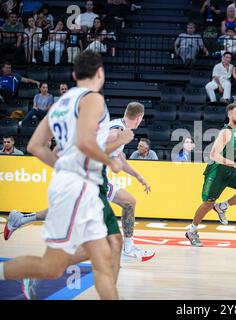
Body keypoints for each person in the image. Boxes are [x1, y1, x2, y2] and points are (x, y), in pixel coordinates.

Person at [0, 50, 123, 300]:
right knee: (61, 263)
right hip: (78, 188)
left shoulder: (59, 104)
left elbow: (35, 146)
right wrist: (110, 160)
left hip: (70, 185)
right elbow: (86, 142)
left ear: (75, 74)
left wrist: (63, 167)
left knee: (101, 252)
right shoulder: (93, 99)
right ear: (100, 73)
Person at [7, 102, 155, 263]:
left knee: (127, 202)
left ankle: (20, 219)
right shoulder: (117, 131)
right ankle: (123, 249)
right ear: (139, 118)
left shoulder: (119, 127)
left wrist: (138, 176)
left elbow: (118, 156)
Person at [185, 103, 236, 246]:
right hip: (217, 170)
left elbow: (233, 144)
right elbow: (213, 154)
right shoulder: (225, 132)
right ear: (229, 115)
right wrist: (235, 164)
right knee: (207, 204)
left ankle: (222, 206)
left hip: (228, 169)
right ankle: (192, 230)